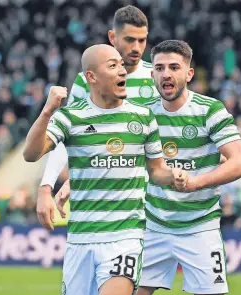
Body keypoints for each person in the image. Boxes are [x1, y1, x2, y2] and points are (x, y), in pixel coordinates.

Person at [22, 44, 187, 295]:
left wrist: (174, 175)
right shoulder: (70, 117)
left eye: (121, 64)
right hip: (81, 238)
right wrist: (47, 111)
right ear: (91, 77)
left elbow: (156, 171)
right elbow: (31, 154)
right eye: (113, 66)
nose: (122, 70)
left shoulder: (143, 117)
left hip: (125, 235)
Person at [128, 40, 241, 295]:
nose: (166, 74)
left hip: (199, 226)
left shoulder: (209, 110)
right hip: (153, 224)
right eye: (159, 68)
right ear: (152, 75)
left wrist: (196, 182)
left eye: (174, 67)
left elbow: (239, 163)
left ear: (189, 74)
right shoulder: (142, 113)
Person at [37, 5, 158, 216]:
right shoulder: (86, 81)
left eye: (142, 40)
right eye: (130, 39)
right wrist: (47, 185)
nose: (137, 48)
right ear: (112, 37)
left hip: (150, 198)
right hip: (102, 197)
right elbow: (67, 136)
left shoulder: (158, 78)